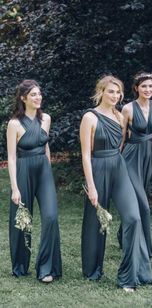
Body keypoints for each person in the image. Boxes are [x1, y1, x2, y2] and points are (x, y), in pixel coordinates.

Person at [80, 75, 152, 292]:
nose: (115, 96)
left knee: (133, 217)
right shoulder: (89, 118)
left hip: (119, 168)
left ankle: (129, 275)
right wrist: (91, 186)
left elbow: (120, 145)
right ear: (101, 92)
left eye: (118, 92)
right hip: (98, 167)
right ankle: (92, 269)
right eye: (110, 91)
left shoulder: (121, 117)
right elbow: (85, 155)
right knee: (95, 222)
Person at [7, 79, 62, 283]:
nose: (38, 97)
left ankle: (46, 267)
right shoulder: (14, 124)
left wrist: (48, 169)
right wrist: (14, 187)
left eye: (39, 94)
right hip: (23, 170)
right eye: (33, 95)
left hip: (43, 170)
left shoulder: (46, 118)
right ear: (23, 98)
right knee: (23, 219)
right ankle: (20, 265)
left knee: (51, 217)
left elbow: (45, 145)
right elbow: (11, 157)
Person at [117, 72, 152, 258]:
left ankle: (123, 237)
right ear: (136, 88)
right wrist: (116, 160)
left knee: (138, 201)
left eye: (151, 86)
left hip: (147, 158)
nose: (148, 89)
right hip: (130, 157)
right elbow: (121, 139)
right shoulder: (128, 109)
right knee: (144, 206)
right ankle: (144, 247)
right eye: (144, 86)